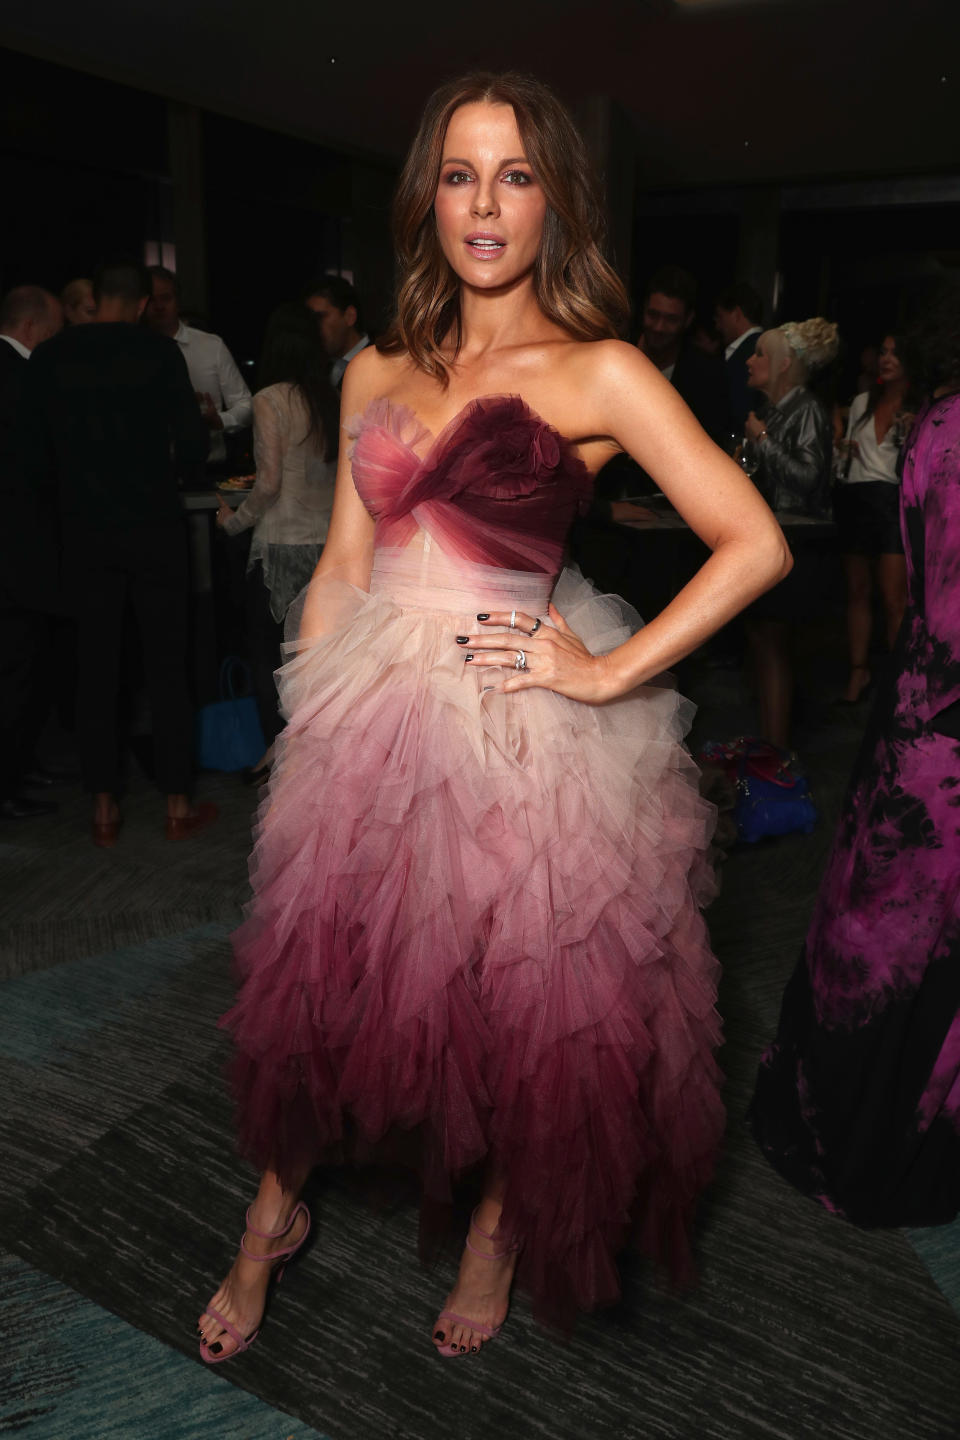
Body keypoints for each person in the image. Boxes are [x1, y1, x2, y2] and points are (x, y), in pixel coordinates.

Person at [198, 71, 788, 1365]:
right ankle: (268, 1222)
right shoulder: (378, 371)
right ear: (428, 196)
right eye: (462, 173)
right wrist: (320, 710)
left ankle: (495, 1234)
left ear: (553, 203)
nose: (485, 202)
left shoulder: (603, 370)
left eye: (515, 175)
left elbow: (751, 543)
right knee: (330, 995)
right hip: (372, 716)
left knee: (519, 1009)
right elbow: (349, 561)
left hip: (522, 727)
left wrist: (601, 675)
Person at [749, 285, 960, 1227]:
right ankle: (879, 1140)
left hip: (918, 723)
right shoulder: (953, 432)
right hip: (943, 740)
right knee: (905, 950)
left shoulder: (939, 426)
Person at [19, 260, 215, 846]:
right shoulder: (160, 356)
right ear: (140, 304)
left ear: (99, 297)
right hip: (153, 529)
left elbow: (33, 460)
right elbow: (191, 446)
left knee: (96, 669)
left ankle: (104, 806)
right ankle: (177, 802)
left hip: (83, 534)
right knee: (167, 663)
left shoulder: (52, 358)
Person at [215, 301, 339, 773]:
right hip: (326, 545)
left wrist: (232, 521)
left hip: (282, 545)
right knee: (317, 657)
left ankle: (279, 752)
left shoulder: (270, 399)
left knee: (271, 657)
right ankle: (317, 753)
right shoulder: (328, 396)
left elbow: (267, 484)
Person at [742, 318, 838, 751]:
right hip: (775, 542)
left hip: (798, 545)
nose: (751, 360)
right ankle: (769, 752)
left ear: (782, 364)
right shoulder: (777, 412)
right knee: (763, 641)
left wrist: (761, 441)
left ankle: (775, 760)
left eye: (760, 353)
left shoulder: (808, 410)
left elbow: (806, 477)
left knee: (775, 643)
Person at [0, 285, 64, 821]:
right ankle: (8, 782)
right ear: (34, 327)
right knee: (17, 669)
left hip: (18, 550)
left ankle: (21, 766)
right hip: (18, 553)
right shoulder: (21, 380)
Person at [834, 334, 915, 705]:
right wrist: (842, 449)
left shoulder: (922, 407)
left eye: (895, 353)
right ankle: (857, 671)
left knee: (894, 598)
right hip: (857, 497)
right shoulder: (863, 402)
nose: (886, 358)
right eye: (882, 351)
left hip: (893, 501)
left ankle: (901, 683)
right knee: (857, 592)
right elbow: (848, 459)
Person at [144, 266, 252, 467]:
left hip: (209, 466)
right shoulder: (134, 351)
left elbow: (245, 404)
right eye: (152, 299)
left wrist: (220, 421)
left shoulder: (211, 345)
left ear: (178, 301)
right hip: (152, 468)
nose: (159, 306)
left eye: (166, 298)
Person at [638, 265, 730, 445]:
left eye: (671, 320)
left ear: (688, 320)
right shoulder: (619, 360)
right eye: (653, 315)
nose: (658, 327)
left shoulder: (708, 375)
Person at [303, 274, 371, 388]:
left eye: (320, 317)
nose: (314, 325)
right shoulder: (318, 366)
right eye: (310, 319)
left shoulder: (379, 361)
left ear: (350, 316)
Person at [714, 281, 764, 433]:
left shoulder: (749, 351)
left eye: (720, 317)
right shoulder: (765, 346)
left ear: (736, 314)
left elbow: (738, 409)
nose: (717, 326)